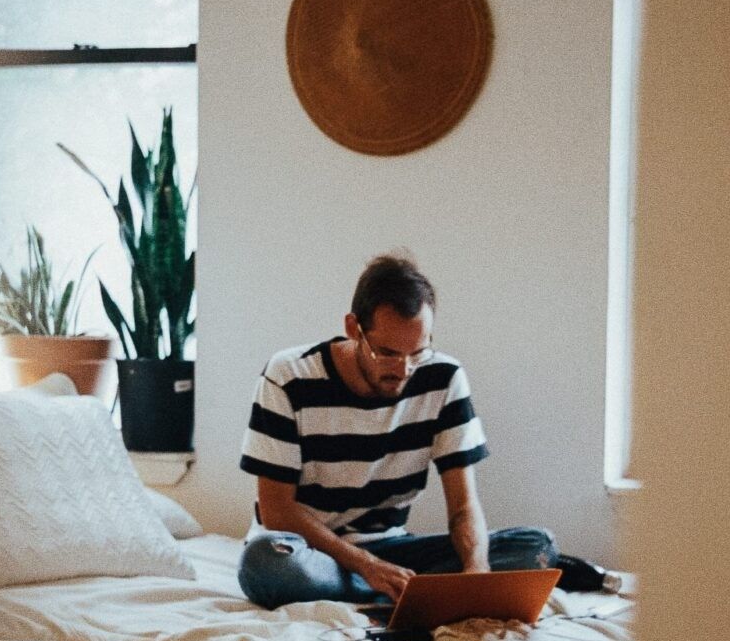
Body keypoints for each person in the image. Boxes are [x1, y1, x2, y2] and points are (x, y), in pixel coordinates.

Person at [237, 252, 616, 609]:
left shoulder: (443, 378)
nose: (404, 370)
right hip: (309, 551)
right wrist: (368, 566)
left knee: (536, 546)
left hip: (392, 550)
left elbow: (463, 506)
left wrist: (476, 573)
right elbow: (277, 510)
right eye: (387, 353)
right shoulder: (288, 376)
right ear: (353, 329)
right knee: (265, 565)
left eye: (417, 352)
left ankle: (400, 589)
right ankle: (402, 589)